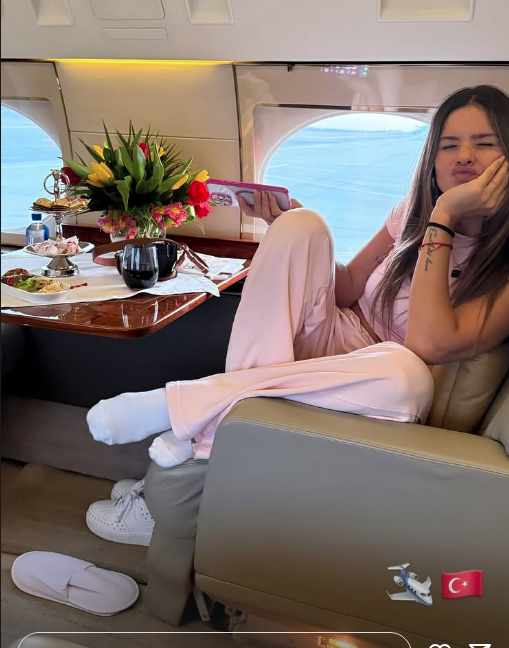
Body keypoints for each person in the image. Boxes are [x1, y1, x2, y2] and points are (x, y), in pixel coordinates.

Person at [85, 85, 509, 544]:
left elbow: (428, 343)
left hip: (376, 385)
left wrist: (444, 220)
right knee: (304, 225)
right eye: (449, 145)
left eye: (484, 143)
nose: (464, 156)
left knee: (405, 372)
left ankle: (187, 421)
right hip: (340, 335)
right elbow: (348, 287)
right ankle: (204, 431)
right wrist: (290, 225)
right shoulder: (410, 213)